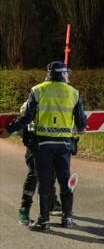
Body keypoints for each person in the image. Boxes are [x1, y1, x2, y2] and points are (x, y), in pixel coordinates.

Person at [1, 61, 87, 231]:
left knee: (45, 181)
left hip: (43, 144)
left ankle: (44, 221)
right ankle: (67, 218)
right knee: (65, 181)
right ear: (62, 74)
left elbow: (26, 117)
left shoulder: (38, 90)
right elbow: (81, 123)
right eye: (67, 73)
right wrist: (81, 128)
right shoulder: (74, 93)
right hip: (64, 144)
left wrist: (9, 130)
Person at [13, 101, 61, 226]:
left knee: (52, 172)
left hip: (53, 144)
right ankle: (24, 209)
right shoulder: (32, 100)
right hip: (35, 145)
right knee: (35, 173)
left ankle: (51, 203)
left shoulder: (58, 99)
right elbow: (24, 120)